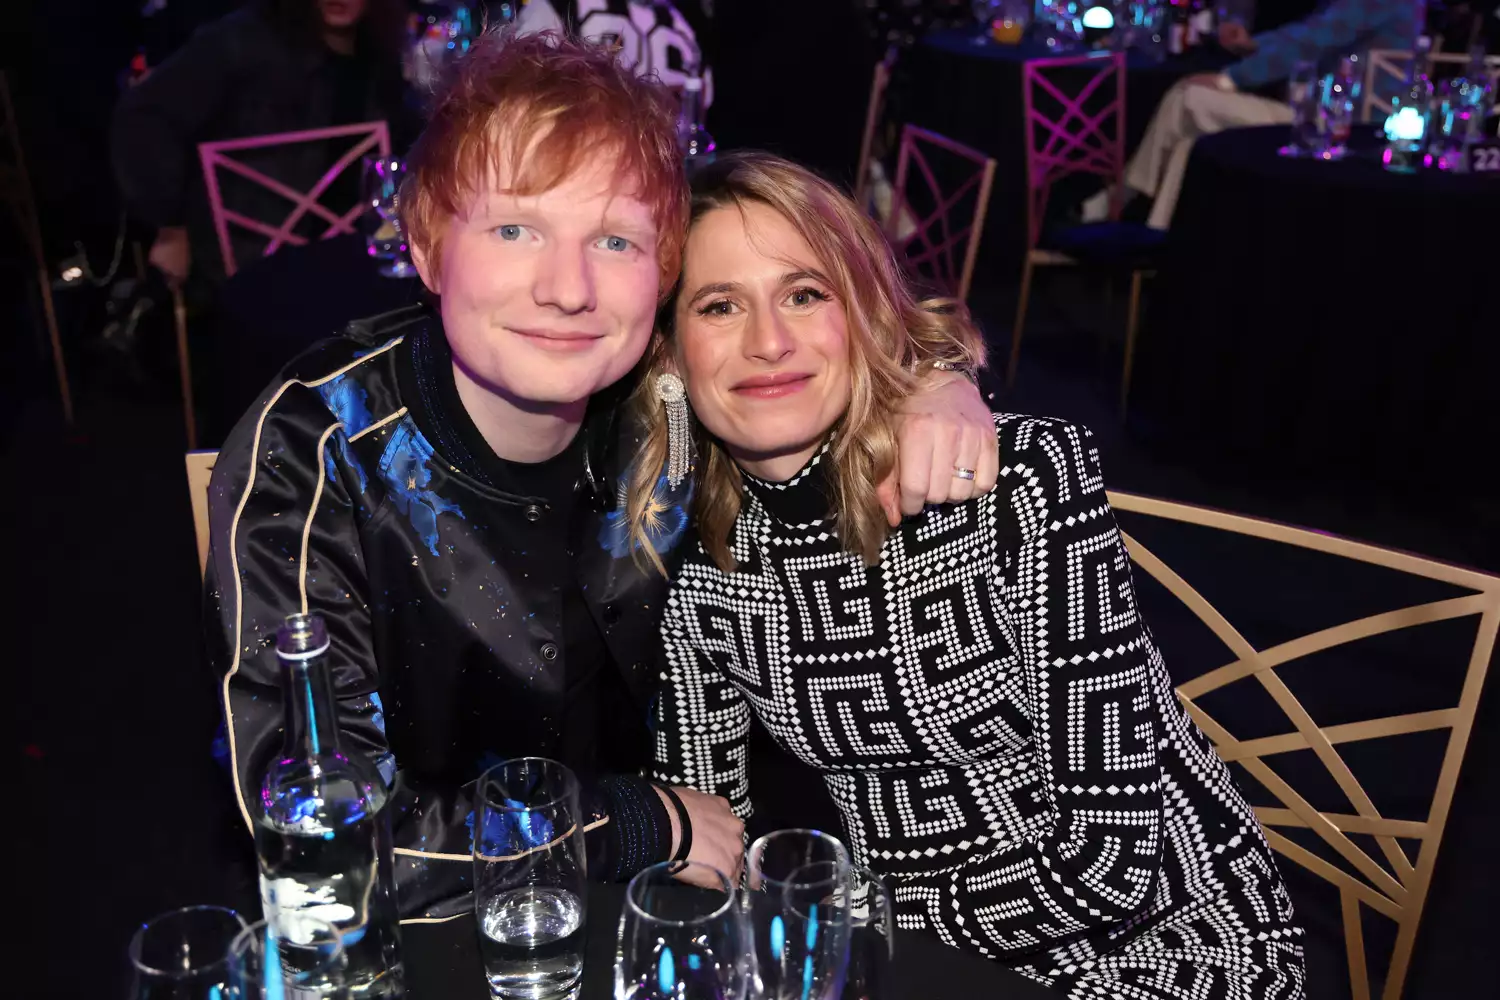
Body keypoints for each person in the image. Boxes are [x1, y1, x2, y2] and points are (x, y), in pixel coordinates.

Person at [206, 29, 998, 921]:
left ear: (660, 272)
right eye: (515, 228)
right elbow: (322, 838)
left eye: (616, 240)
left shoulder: (661, 397)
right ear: (426, 245)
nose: (569, 289)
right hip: (419, 930)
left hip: (655, 908)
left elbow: (822, 332)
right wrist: (624, 825)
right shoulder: (322, 448)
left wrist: (937, 378)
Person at [644, 151, 1306, 997]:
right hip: (911, 955)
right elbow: (712, 834)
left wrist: (860, 922)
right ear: (668, 351)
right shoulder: (695, 564)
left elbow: (1114, 855)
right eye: (720, 305)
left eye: (805, 293)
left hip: (1169, 937)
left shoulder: (1015, 482)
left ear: (861, 310)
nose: (769, 341)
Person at [112, 0, 418, 286]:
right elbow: (145, 117)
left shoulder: (379, 52)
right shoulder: (240, 42)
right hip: (251, 261)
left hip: (353, 252)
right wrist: (170, 226)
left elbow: (403, 153)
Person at [1083, 0, 1422, 229]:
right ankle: (1159, 240)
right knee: (1190, 142)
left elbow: (1311, 42)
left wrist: (1231, 79)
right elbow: (1309, 33)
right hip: (1319, 120)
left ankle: (1120, 198)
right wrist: (1256, 45)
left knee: (1189, 98)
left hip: (1342, 133)